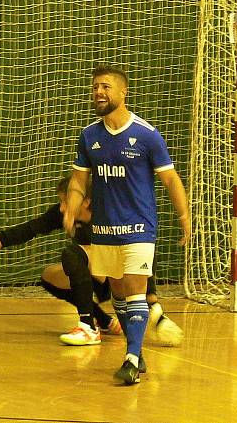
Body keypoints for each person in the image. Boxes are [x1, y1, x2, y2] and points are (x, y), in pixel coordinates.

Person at [62, 65, 191, 385]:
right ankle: (136, 348)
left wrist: (184, 216)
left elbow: (170, 179)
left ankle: (132, 358)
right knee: (118, 293)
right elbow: (79, 180)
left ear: (123, 92)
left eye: (105, 87)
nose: (98, 92)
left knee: (134, 289)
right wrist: (72, 207)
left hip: (139, 226)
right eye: (95, 87)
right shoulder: (89, 135)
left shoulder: (146, 135)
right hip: (105, 228)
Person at [0, 175, 184, 347]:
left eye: (65, 201)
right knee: (49, 276)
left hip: (121, 279)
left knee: (73, 254)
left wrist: (151, 296)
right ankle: (103, 322)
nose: (61, 208)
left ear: (85, 201)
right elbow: (30, 229)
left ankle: (88, 327)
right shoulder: (64, 215)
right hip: (92, 277)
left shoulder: (110, 215)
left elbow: (142, 248)